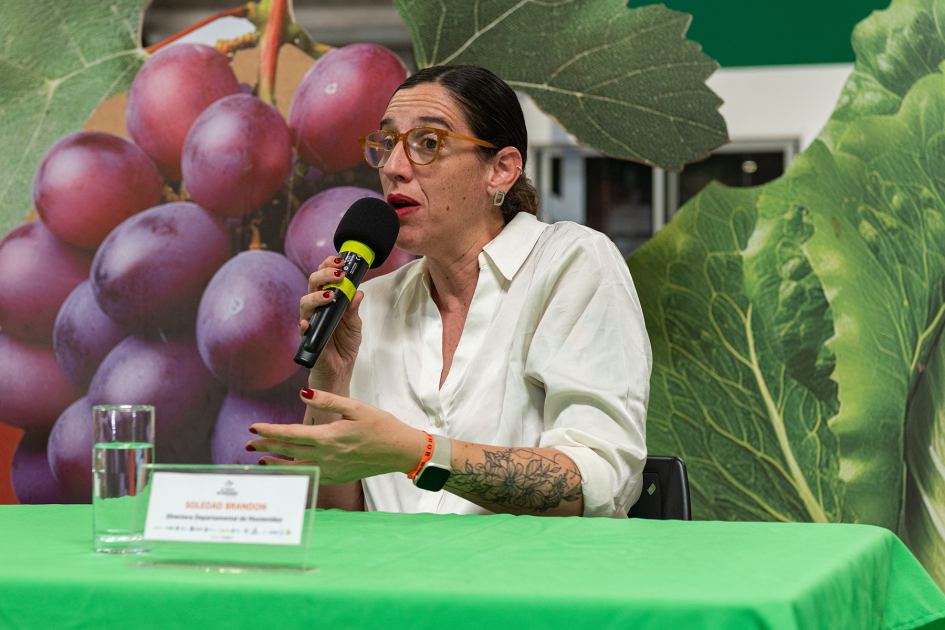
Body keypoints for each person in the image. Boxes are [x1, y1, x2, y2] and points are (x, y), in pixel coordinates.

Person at [247, 65, 651, 518]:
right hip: (389, 584)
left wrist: (420, 454)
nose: (395, 169)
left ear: (500, 170)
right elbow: (338, 520)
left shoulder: (572, 264)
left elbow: (598, 481)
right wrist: (331, 378)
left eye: (428, 143)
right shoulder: (370, 304)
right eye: (387, 145)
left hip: (527, 582)